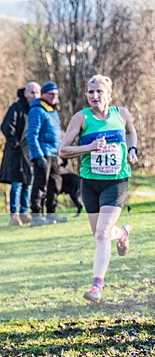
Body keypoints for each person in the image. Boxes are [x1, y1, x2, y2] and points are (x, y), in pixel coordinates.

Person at [59, 75, 138, 303]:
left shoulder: (121, 114)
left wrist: (132, 149)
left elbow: (132, 133)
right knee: (100, 234)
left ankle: (96, 287)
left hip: (116, 182)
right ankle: (122, 233)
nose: (94, 96)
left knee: (103, 233)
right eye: (90, 92)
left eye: (99, 92)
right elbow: (63, 150)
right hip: (90, 183)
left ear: (109, 94)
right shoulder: (81, 118)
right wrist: (90, 147)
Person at [27, 81, 68, 226]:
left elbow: (56, 135)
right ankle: (36, 216)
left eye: (56, 94)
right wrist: (38, 156)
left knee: (55, 184)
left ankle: (51, 214)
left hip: (53, 154)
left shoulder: (53, 111)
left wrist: (61, 154)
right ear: (43, 94)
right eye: (51, 94)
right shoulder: (37, 110)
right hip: (42, 154)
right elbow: (31, 135)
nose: (54, 97)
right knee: (40, 185)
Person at [0, 82, 40, 225]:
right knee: (17, 184)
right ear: (26, 93)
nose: (35, 96)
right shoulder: (16, 108)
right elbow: (6, 127)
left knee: (28, 183)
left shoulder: (37, 110)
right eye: (32, 93)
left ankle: (24, 212)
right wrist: (15, 144)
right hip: (16, 152)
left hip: (31, 152)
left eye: (37, 93)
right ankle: (14, 214)